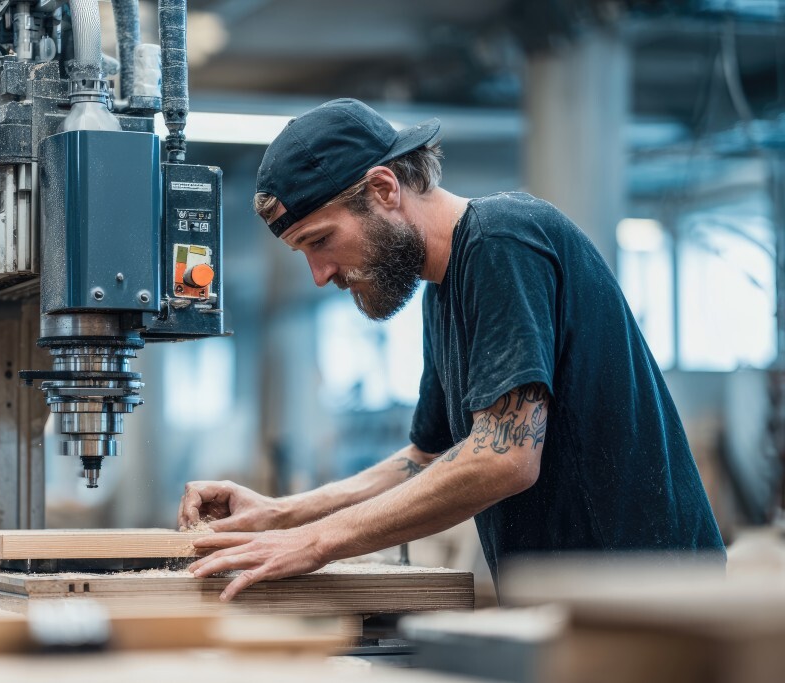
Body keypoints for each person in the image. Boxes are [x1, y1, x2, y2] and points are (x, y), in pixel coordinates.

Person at [180, 98, 725, 602]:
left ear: (384, 188)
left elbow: (503, 459)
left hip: (653, 603)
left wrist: (317, 541)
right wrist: (282, 515)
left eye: (320, 240)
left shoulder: (501, 241)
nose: (320, 274)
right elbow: (427, 458)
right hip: (580, 601)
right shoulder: (443, 291)